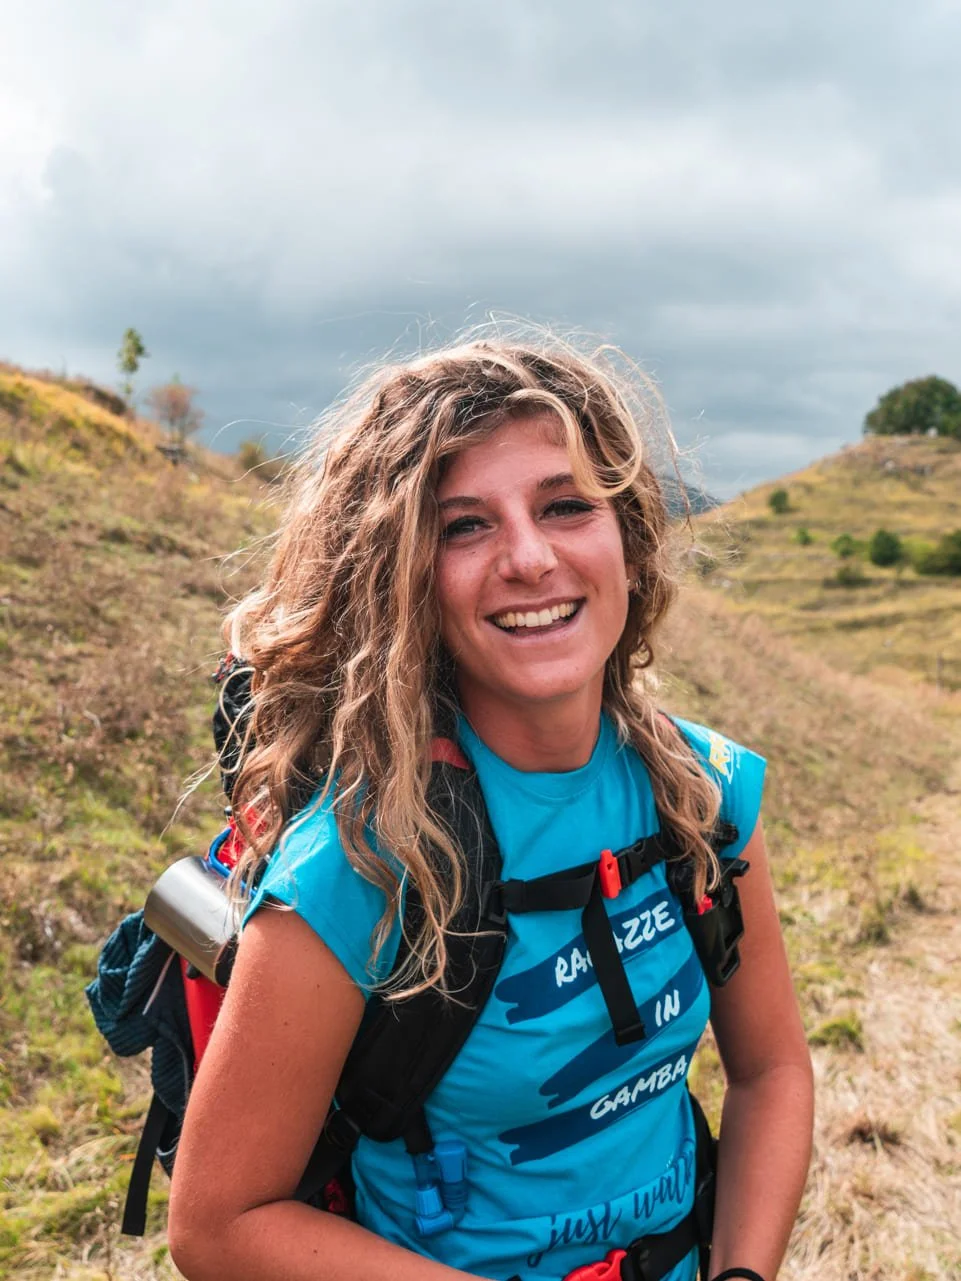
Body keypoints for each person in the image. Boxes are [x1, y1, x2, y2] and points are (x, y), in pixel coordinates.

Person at [167, 334, 814, 1281]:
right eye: (464, 525)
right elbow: (219, 1223)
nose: (527, 556)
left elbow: (770, 1074)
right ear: (404, 578)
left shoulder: (701, 791)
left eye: (565, 506)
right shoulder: (361, 862)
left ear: (625, 539)